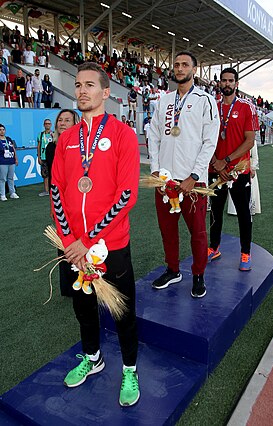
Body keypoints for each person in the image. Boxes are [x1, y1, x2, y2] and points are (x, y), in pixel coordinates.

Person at [51, 62, 140, 406]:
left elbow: (126, 195)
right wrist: (69, 239)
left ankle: (130, 369)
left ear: (106, 92)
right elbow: (57, 188)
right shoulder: (67, 139)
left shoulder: (122, 135)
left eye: (90, 85)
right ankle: (93, 358)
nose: (82, 91)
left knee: (122, 311)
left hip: (109, 245)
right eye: (78, 85)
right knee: (83, 307)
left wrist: (87, 241)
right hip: (71, 246)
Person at [149, 51, 220, 297]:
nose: (179, 69)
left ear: (194, 69)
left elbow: (209, 143)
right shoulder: (163, 100)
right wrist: (156, 170)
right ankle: (173, 269)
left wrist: (194, 175)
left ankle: (198, 274)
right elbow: (154, 135)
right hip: (165, 181)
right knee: (167, 231)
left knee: (198, 232)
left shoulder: (205, 100)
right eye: (176, 65)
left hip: (192, 183)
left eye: (184, 65)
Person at [208, 67, 259, 271]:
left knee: (243, 214)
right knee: (215, 213)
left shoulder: (247, 107)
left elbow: (250, 141)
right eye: (224, 80)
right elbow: (207, 139)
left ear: (236, 84)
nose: (227, 84)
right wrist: (215, 162)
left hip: (238, 170)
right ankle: (214, 247)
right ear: (219, 83)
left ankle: (245, 253)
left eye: (230, 80)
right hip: (216, 169)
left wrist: (226, 160)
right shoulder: (213, 107)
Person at [46, 109, 80, 296]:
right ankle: (68, 286)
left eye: (67, 120)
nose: (62, 123)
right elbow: (54, 180)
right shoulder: (52, 147)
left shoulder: (82, 148)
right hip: (60, 200)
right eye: (60, 120)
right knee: (63, 243)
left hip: (79, 202)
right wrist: (54, 204)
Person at [228, 141, 261, 215]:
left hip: (247, 168)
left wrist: (252, 168)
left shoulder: (252, 141)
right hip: (235, 168)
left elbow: (255, 157)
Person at [0, 124, 19, 201]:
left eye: (3, 129)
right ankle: (2, 194)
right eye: (0, 130)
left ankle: (12, 193)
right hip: (2, 162)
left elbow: (13, 149)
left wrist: (16, 159)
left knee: (11, 178)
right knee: (2, 179)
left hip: (11, 161)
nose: (2, 131)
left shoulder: (8, 139)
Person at [37, 118, 53, 196]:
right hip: (44, 157)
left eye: (49, 124)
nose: (47, 125)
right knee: (45, 174)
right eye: (46, 124)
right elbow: (39, 146)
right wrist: (39, 157)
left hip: (53, 157)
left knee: (53, 174)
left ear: (51, 125)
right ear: (44, 125)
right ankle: (46, 190)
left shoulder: (53, 134)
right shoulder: (41, 135)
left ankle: (53, 189)